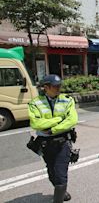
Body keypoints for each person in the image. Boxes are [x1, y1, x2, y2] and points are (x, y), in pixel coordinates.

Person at [28, 74, 78, 203]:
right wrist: (59, 119)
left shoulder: (67, 100)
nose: (59, 88)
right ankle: (62, 192)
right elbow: (36, 124)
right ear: (46, 87)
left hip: (63, 142)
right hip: (45, 144)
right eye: (55, 86)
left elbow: (72, 120)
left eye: (60, 85)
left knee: (61, 174)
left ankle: (58, 198)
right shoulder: (35, 103)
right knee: (52, 172)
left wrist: (52, 129)